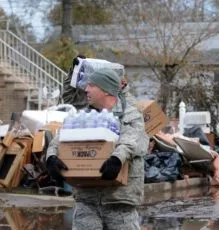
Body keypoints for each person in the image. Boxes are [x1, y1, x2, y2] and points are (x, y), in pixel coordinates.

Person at [46, 68, 149, 230]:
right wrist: (51, 157)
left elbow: (130, 142)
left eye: (92, 85)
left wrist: (116, 159)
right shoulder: (83, 116)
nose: (86, 89)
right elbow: (59, 140)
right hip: (87, 199)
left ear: (106, 90)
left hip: (119, 201)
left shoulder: (130, 114)